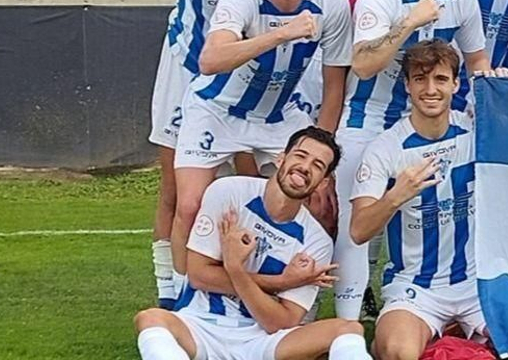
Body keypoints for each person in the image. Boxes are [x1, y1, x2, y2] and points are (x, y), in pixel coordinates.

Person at [124, 0, 297, 308]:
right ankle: (171, 293)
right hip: (191, 67)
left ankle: (257, 285)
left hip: (258, 69)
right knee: (178, 189)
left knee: (262, 185)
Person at [167, 0, 353, 287]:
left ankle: (300, 303)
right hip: (217, 110)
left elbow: (335, 85)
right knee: (188, 206)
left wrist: (324, 155)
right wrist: (281, 33)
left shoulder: (332, 3)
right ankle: (179, 299)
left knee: (320, 205)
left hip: (279, 116)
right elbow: (210, 60)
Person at [336, 0, 489, 318]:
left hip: (434, 121)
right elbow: (364, 65)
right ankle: (348, 327)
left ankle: (431, 302)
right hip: (370, 117)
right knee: (355, 228)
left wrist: (484, 98)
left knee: (436, 213)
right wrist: (407, 22)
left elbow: (477, 62)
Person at [350, 42, 508, 360]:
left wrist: (503, 92)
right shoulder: (385, 148)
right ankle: (429, 335)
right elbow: (358, 230)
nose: (430, 89)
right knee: (400, 353)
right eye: (420, 79)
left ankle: (457, 337)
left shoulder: (477, 130)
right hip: (415, 287)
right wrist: (396, 196)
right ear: (407, 85)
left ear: (455, 83)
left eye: (440, 79)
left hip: (475, 282)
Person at [132, 127, 371, 360]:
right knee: (151, 319)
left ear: (322, 183)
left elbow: (281, 322)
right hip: (200, 326)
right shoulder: (228, 192)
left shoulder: (317, 241)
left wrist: (236, 269)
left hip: (261, 340)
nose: (305, 167)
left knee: (349, 330)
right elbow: (198, 275)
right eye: (300, 155)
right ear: (281, 159)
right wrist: (282, 282)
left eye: (318, 166)